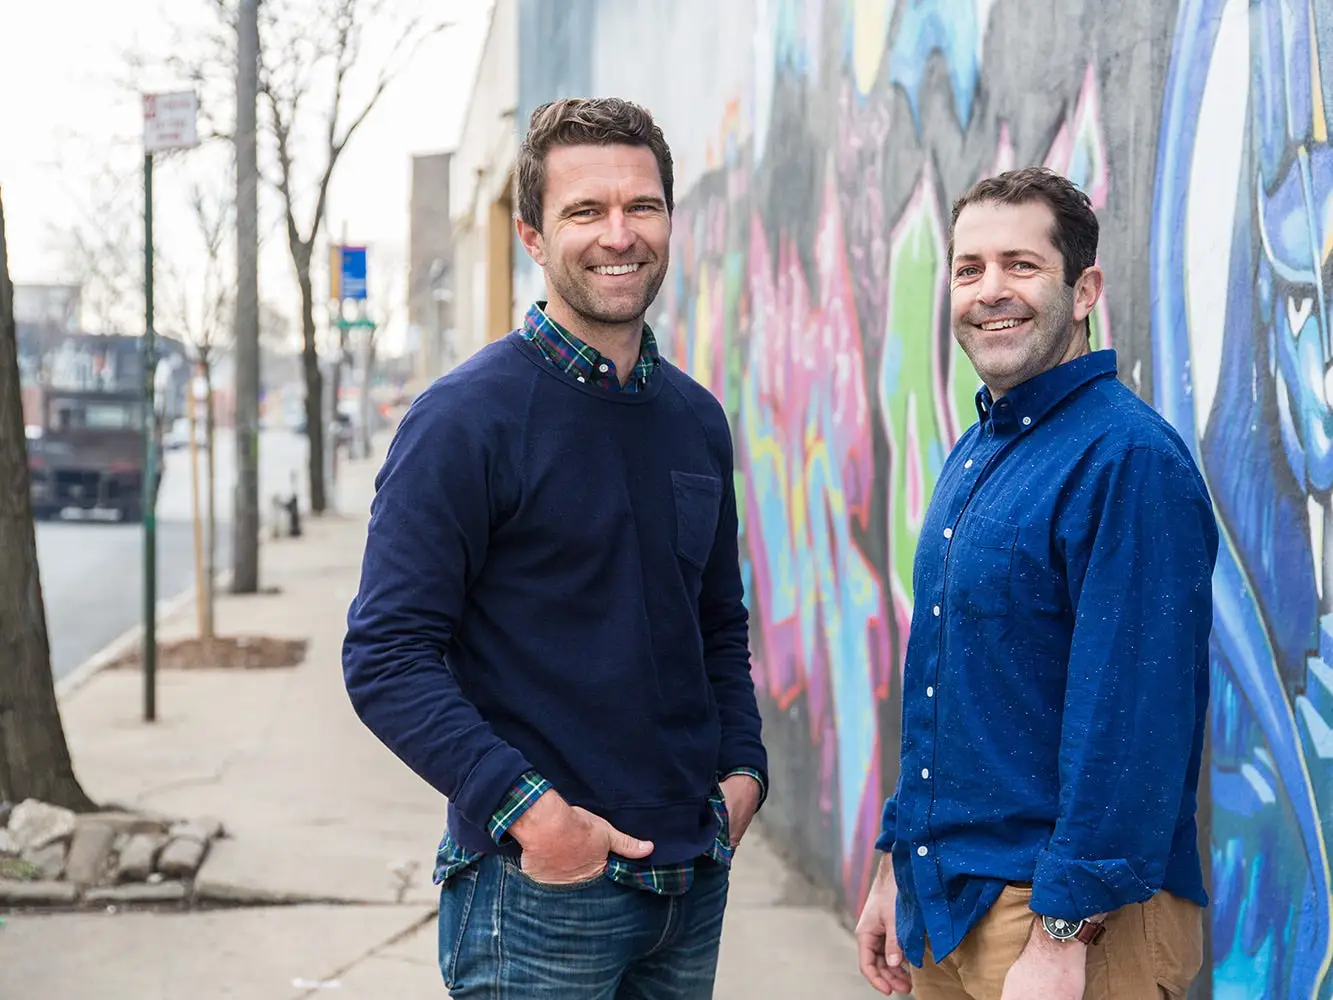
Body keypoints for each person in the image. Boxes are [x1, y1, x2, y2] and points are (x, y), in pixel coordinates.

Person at [341, 96, 768, 1000]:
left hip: (691, 883)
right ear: (534, 236)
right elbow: (385, 655)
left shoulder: (694, 419)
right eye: (586, 211)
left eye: (640, 207)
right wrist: (532, 815)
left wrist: (743, 774)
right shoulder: (465, 420)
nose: (619, 234)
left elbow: (716, 624)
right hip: (536, 892)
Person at [854, 166, 1218, 1000]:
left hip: (1071, 924)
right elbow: (943, 688)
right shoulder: (982, 446)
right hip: (951, 906)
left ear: (1082, 287)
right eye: (968, 268)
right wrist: (891, 862)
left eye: (1020, 265)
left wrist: (1062, 933)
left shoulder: (1126, 460)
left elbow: (1132, 721)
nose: (990, 292)